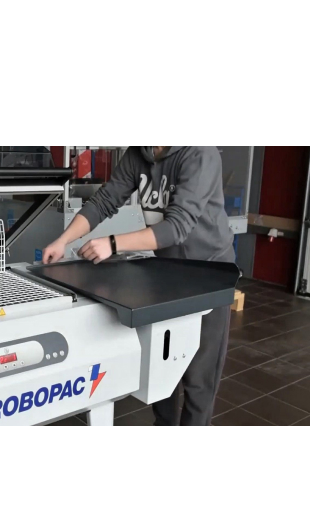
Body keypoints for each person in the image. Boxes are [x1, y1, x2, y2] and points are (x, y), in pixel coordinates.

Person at [43, 146, 235, 426]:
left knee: (199, 379)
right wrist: (63, 241)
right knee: (163, 368)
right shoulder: (138, 153)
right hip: (167, 271)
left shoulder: (200, 153)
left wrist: (112, 243)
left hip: (209, 274)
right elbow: (104, 201)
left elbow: (177, 227)